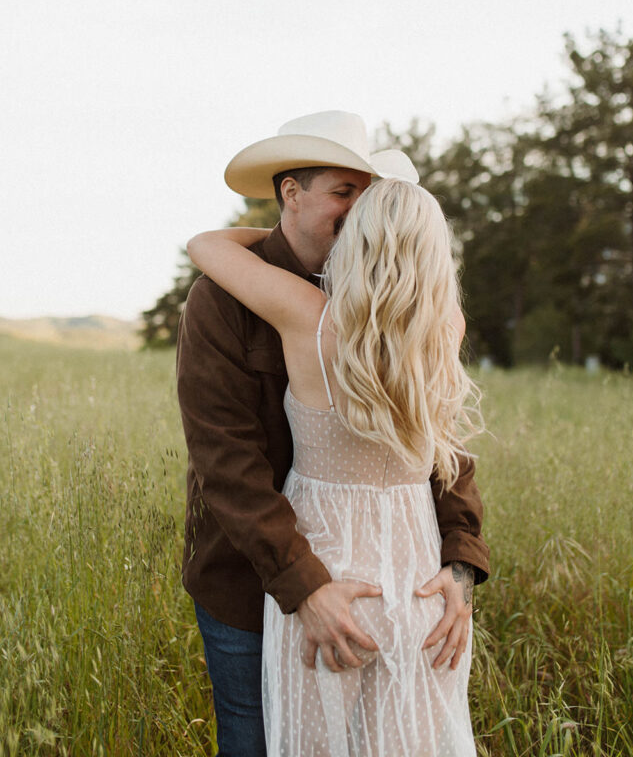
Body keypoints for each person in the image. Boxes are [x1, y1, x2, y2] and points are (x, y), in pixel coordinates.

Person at [176, 111, 489, 756]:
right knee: (256, 740)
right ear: (291, 193)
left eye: (366, 196)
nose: (356, 211)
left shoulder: (349, 311)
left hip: (400, 577)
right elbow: (225, 462)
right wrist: (305, 587)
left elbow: (446, 450)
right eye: (344, 192)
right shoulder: (225, 300)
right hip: (254, 577)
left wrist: (461, 560)